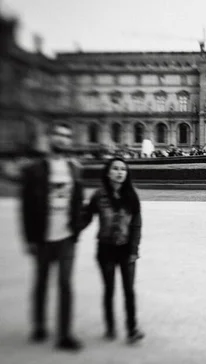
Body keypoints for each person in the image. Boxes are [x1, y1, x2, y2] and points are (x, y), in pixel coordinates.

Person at [20, 123, 84, 351]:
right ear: (50, 138)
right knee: (42, 283)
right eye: (58, 134)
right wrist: (29, 239)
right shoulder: (34, 169)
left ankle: (65, 334)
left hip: (66, 236)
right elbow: (26, 207)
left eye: (67, 136)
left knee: (65, 285)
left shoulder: (74, 168)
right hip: (43, 235)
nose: (62, 139)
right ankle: (39, 325)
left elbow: (77, 201)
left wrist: (76, 229)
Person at [80, 158, 144, 344]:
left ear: (126, 173)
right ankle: (110, 327)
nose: (119, 172)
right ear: (108, 172)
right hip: (106, 249)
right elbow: (86, 217)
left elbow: (136, 225)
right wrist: (72, 229)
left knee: (129, 291)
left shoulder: (132, 195)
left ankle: (132, 329)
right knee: (109, 289)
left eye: (123, 169)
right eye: (115, 168)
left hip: (126, 250)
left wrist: (134, 250)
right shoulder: (99, 195)